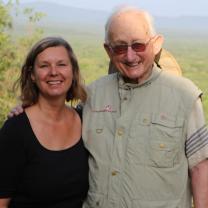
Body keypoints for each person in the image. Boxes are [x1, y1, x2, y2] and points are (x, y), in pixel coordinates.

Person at [82, 6, 208, 208]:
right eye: (121, 48)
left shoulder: (185, 96)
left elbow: (201, 168)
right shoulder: (92, 95)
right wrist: (27, 111)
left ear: (156, 44)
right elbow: (58, 126)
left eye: (138, 45)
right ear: (108, 50)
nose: (130, 57)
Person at [0, 37, 89, 208]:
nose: (53, 72)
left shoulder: (86, 120)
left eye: (62, 64)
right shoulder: (16, 130)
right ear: (32, 74)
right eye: (44, 65)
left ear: (73, 72)